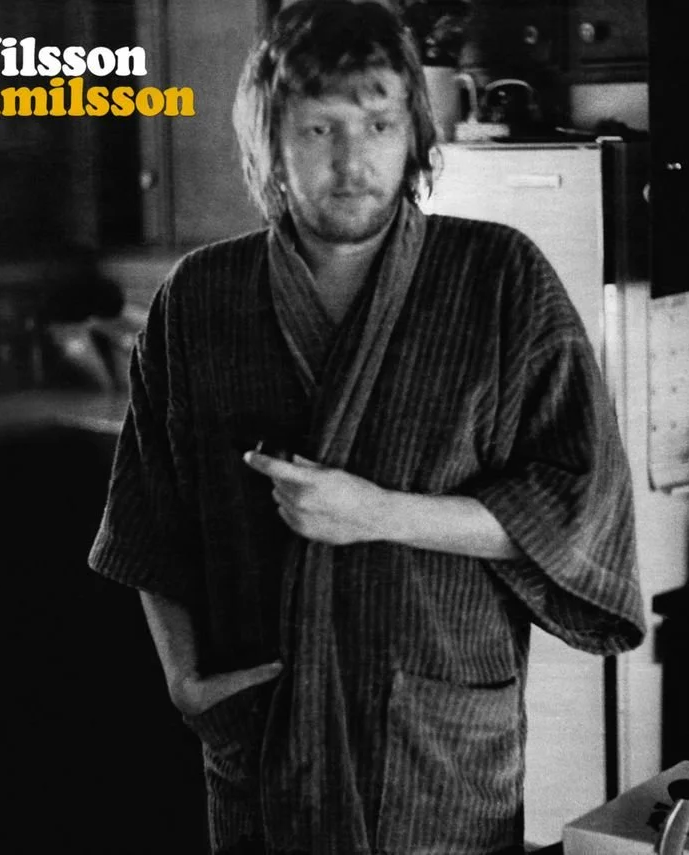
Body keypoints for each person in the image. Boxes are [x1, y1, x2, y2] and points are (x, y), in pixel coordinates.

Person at [88, 2, 646, 853]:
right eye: (318, 129)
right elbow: (148, 523)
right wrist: (183, 679)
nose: (351, 163)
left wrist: (376, 512)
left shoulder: (499, 279)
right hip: (264, 745)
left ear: (414, 132)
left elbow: (582, 505)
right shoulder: (199, 300)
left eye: (378, 125)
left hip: (439, 752)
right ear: (269, 143)